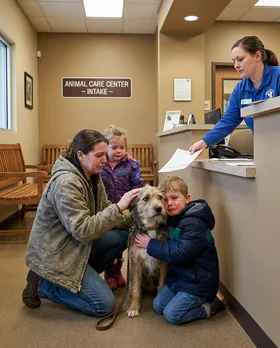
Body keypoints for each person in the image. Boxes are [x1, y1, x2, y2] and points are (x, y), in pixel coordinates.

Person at [22, 129, 140, 317]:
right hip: (56, 254)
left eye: (104, 154)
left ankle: (77, 278)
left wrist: (139, 220)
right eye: (99, 155)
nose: (105, 159)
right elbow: (83, 230)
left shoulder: (93, 175)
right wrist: (119, 207)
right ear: (80, 155)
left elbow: (104, 210)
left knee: (123, 234)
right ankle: (44, 285)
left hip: (73, 245)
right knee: (104, 305)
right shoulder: (67, 182)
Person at [135, 176, 225, 325]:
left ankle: (212, 304)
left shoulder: (194, 223)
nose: (169, 204)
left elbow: (180, 253)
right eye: (165, 199)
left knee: (172, 315)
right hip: (181, 279)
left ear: (187, 198)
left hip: (198, 283)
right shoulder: (173, 218)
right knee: (158, 306)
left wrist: (150, 244)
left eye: (175, 198)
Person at [189, 35, 280, 154]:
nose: (236, 65)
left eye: (240, 59)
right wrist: (204, 142)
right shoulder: (240, 89)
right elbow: (228, 121)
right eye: (234, 61)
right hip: (265, 149)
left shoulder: (277, 77)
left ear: (257, 56)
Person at [100, 125, 144, 290]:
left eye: (122, 147)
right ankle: (109, 273)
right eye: (114, 147)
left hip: (125, 211)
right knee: (109, 241)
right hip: (106, 210)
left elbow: (138, 185)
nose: (118, 151)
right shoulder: (101, 164)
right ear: (106, 147)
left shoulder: (131, 165)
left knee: (120, 242)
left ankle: (118, 272)